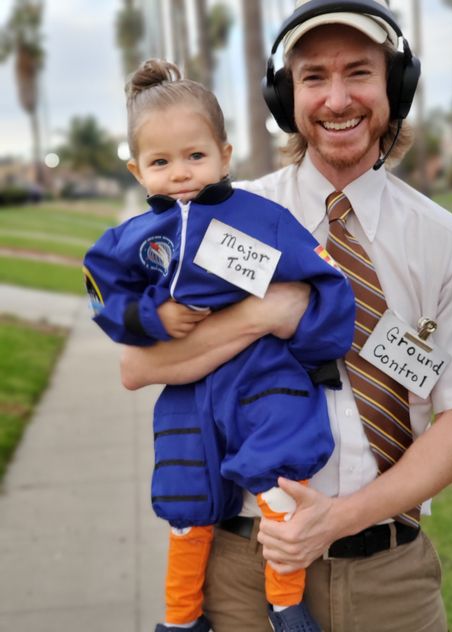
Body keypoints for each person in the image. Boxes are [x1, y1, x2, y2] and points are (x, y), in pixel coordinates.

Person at [120, 1, 452, 631]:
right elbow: (138, 364)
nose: (337, 99)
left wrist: (336, 519)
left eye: (358, 72)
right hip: (242, 568)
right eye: (313, 77)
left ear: (396, 86)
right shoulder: (222, 217)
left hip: (390, 579)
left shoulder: (448, 243)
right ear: (286, 97)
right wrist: (268, 314)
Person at [83, 58, 355, 632]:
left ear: (224, 155)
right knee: (187, 504)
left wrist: (312, 349)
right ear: (137, 171)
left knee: (280, 482)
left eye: (195, 156)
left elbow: (327, 280)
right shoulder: (131, 239)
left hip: (262, 375)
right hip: (187, 393)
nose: (180, 173)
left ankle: (285, 604)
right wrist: (153, 316)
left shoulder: (260, 218)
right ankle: (181, 620)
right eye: (160, 162)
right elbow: (102, 294)